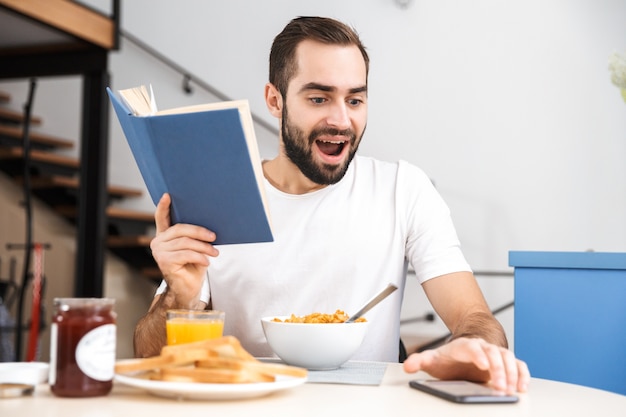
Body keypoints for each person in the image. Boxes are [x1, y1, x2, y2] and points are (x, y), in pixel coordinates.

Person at [134, 16, 530, 394]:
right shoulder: (218, 197)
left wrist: (475, 347)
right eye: (319, 97)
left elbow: (474, 318)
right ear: (275, 100)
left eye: (355, 100)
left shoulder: (403, 189)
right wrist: (179, 298)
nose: (340, 120)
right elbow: (148, 355)